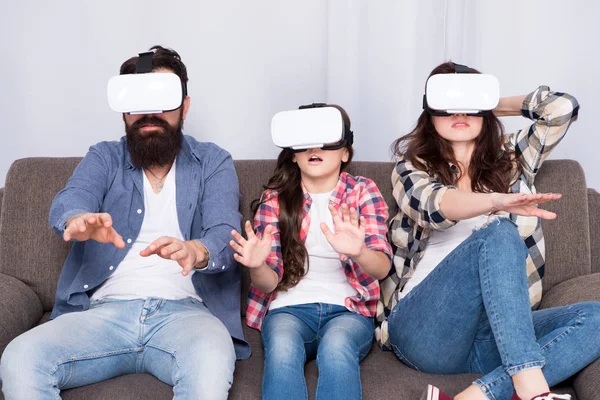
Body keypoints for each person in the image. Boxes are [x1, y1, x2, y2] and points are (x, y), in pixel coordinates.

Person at [0, 45, 249, 400]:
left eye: (162, 99)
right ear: (123, 112)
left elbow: (225, 232)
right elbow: (70, 201)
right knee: (20, 358)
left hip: (186, 316)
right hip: (103, 315)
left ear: (185, 106)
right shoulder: (104, 156)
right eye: (137, 101)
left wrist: (197, 250)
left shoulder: (212, 161)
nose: (150, 113)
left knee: (210, 362)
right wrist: (78, 219)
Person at [378, 61, 600, 400]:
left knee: (596, 317)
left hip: (494, 333)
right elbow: (437, 206)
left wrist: (485, 102)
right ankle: (530, 388)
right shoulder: (410, 168)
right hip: (425, 331)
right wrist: (496, 202)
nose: (459, 112)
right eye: (447, 102)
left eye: (469, 103)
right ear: (429, 109)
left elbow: (562, 108)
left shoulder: (511, 157)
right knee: (499, 232)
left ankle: (477, 396)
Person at [230, 104, 393, 400]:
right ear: (293, 153)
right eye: (305, 140)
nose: (315, 147)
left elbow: (381, 269)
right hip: (288, 310)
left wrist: (359, 251)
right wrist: (256, 266)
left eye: (326, 139)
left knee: (337, 347)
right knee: (280, 347)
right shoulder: (275, 198)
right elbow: (267, 283)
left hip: (349, 311)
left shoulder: (363, 191)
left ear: (345, 152)